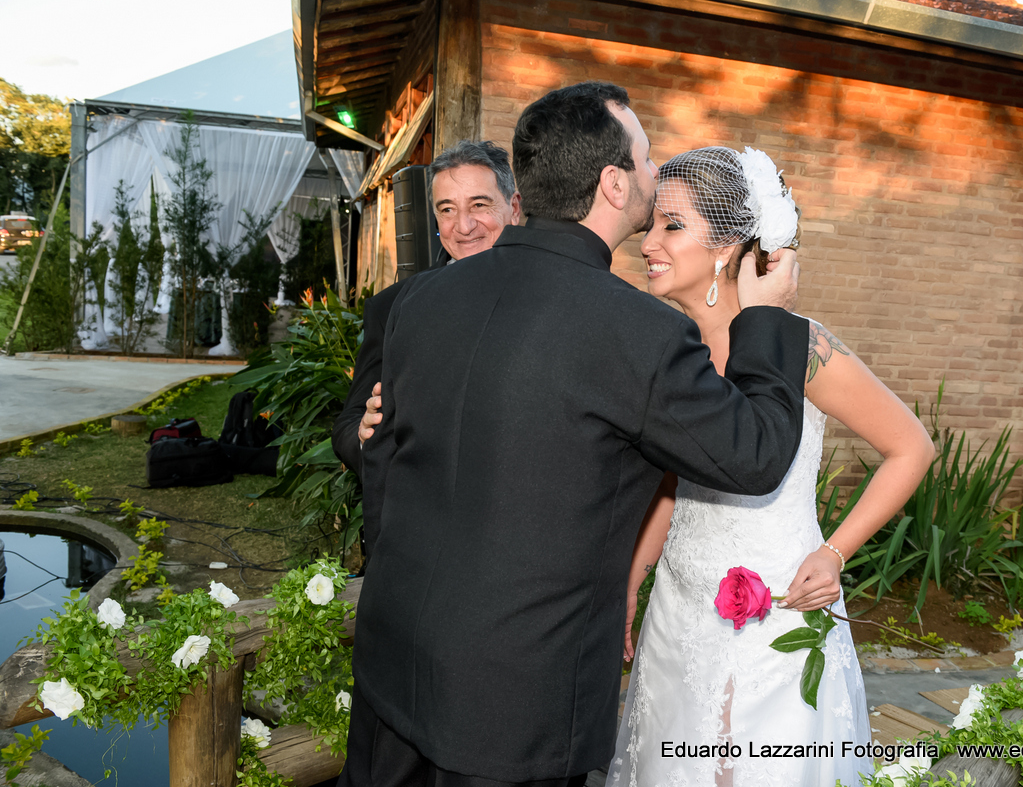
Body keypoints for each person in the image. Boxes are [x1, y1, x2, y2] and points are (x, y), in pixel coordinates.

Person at [339, 81, 809, 787]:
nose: (655, 174)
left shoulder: (417, 302)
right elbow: (755, 453)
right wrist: (765, 317)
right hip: (512, 710)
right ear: (615, 184)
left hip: (392, 666)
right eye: (647, 162)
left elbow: (388, 471)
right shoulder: (639, 331)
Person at [606, 147, 936, 787]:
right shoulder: (670, 347)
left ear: (727, 246)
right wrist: (632, 579)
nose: (648, 242)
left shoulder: (799, 345)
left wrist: (835, 554)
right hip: (679, 607)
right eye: (652, 224)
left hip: (775, 603)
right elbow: (672, 480)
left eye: (672, 225)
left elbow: (912, 447)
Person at [331, 140, 521, 550]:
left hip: (518, 539)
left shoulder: (547, 300)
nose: (463, 225)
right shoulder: (391, 307)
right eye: (447, 209)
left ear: (515, 207)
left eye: (480, 205)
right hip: (417, 540)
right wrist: (363, 436)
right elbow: (346, 426)